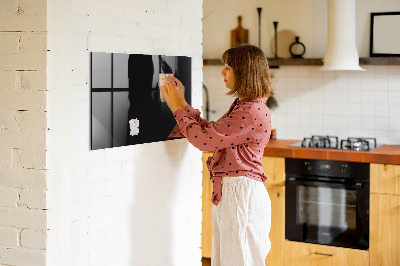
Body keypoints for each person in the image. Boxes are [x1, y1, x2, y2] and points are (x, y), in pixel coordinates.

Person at [161, 44, 273, 266]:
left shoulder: (250, 111)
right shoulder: (246, 106)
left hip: (241, 195)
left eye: (228, 67)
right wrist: (182, 104)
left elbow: (204, 141)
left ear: (244, 72)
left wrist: (176, 108)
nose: (222, 72)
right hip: (236, 193)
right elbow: (212, 133)